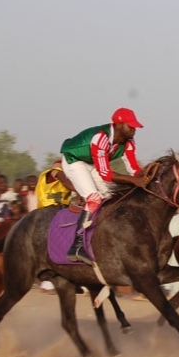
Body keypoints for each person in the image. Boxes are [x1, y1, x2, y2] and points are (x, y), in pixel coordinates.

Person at [60, 107, 147, 265]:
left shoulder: (129, 143)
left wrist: (146, 177)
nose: (134, 129)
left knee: (110, 197)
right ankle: (77, 244)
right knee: (94, 199)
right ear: (119, 125)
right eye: (131, 125)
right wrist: (133, 181)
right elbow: (106, 173)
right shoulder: (101, 138)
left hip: (92, 164)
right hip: (74, 161)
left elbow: (134, 169)